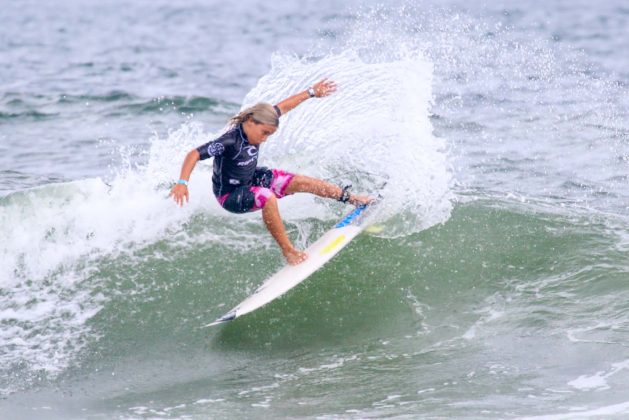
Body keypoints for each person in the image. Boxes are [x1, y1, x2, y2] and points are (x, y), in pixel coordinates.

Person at [169, 79, 372, 265]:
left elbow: (283, 106)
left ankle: (353, 199)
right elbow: (194, 154)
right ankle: (289, 252)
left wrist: (311, 92)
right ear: (250, 122)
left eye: (270, 134)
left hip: (251, 177)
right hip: (230, 196)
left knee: (301, 181)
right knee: (267, 197)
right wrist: (182, 183)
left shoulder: (261, 121)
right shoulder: (229, 141)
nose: (265, 138)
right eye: (264, 133)